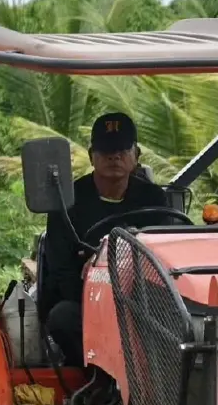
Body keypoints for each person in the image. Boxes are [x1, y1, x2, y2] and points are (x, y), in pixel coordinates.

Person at [35, 112, 170, 366]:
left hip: (141, 301)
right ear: (91, 156)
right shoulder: (68, 202)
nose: (114, 157)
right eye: (106, 150)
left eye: (122, 150)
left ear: (136, 154)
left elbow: (165, 256)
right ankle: (96, 376)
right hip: (86, 302)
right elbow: (61, 268)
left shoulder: (154, 199)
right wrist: (97, 300)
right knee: (62, 317)